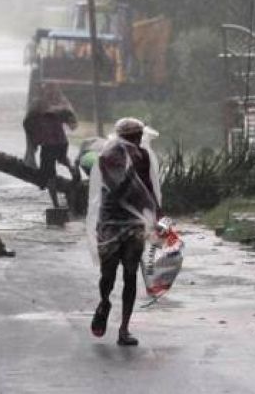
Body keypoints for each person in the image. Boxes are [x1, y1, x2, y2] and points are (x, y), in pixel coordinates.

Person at [87, 117, 162, 347]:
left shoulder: (144, 156)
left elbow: (148, 187)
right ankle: (104, 302)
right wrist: (131, 171)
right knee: (108, 275)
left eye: (140, 136)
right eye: (135, 136)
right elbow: (117, 186)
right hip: (111, 221)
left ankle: (124, 328)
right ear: (126, 137)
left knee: (130, 274)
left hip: (134, 223)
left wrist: (158, 215)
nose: (139, 140)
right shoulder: (108, 156)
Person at [23, 83, 79, 207]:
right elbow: (72, 122)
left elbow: (28, 121)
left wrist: (33, 139)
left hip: (49, 145)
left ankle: (56, 205)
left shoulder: (39, 104)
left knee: (49, 175)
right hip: (61, 142)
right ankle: (73, 172)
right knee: (63, 160)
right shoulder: (61, 104)